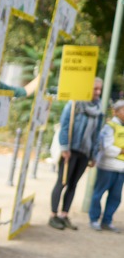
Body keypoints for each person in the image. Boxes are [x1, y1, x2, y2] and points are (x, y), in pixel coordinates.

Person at [49, 77, 104, 230]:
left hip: (84, 152)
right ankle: (53, 215)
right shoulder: (74, 104)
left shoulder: (98, 110)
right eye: (95, 89)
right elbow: (65, 125)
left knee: (73, 184)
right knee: (62, 181)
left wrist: (93, 155)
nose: (98, 92)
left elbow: (96, 134)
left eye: (100, 89)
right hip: (70, 150)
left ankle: (64, 214)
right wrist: (65, 147)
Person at [89, 99, 124, 232]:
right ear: (116, 112)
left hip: (121, 168)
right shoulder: (110, 126)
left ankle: (107, 221)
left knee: (115, 197)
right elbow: (107, 148)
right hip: (107, 167)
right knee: (98, 194)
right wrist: (121, 150)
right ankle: (94, 219)